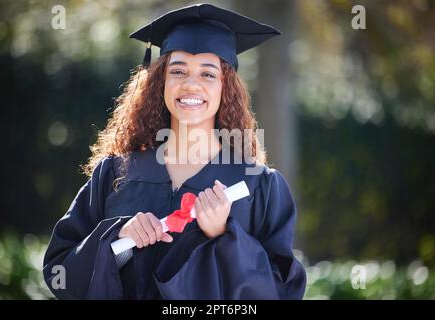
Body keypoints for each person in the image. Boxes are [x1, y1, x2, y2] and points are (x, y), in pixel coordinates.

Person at [43, 3, 306, 300]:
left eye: (208, 74)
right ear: (161, 82)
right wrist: (117, 238)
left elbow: (283, 292)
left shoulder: (258, 186)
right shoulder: (115, 173)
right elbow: (60, 273)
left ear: (225, 87)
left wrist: (226, 236)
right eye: (178, 71)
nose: (190, 84)